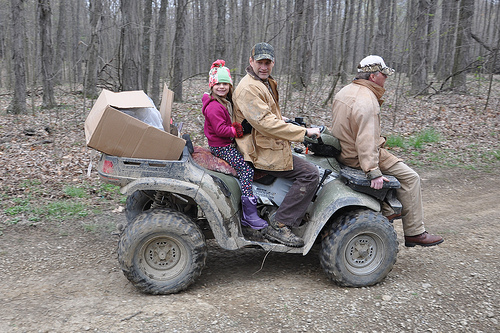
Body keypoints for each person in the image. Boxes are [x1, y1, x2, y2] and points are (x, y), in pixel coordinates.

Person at [330, 55, 444, 247]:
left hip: (343, 150)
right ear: (373, 77)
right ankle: (415, 232)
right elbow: (366, 140)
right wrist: (372, 171)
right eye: (384, 74)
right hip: (357, 156)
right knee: (411, 178)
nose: (386, 78)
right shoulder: (367, 101)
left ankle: (388, 208)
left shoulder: (345, 91)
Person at [232, 42, 321, 247]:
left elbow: (265, 115)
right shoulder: (249, 88)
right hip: (258, 150)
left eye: (267, 62)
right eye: (260, 62)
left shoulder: (263, 82)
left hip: (267, 142)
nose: (264, 66)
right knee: (310, 174)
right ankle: (280, 223)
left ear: (273, 63)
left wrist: (286, 121)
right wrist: (303, 133)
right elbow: (264, 123)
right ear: (251, 61)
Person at [202, 59, 268, 230]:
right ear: (211, 85)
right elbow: (221, 130)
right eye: (218, 84)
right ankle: (249, 214)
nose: (222, 87)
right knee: (246, 169)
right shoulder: (214, 107)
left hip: (227, 143)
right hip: (221, 147)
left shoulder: (225, 101)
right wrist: (239, 130)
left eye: (225, 83)